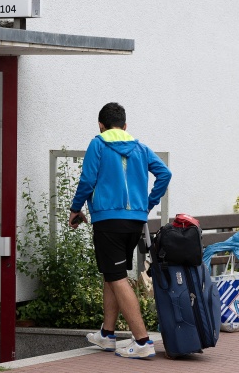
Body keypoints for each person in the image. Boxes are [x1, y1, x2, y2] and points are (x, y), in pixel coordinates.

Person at [69, 102, 171, 359]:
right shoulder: (140, 147)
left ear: (101, 126)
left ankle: (143, 341)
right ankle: (107, 335)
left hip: (109, 220)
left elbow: (88, 179)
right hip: (135, 221)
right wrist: (147, 204)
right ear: (125, 126)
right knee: (111, 273)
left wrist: (75, 208)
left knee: (116, 277)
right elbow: (165, 174)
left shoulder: (98, 144)